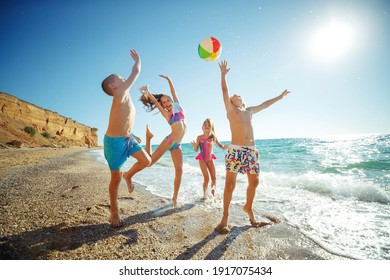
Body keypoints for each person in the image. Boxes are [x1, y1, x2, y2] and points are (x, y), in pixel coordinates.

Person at [215, 60, 290, 234]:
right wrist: (223, 75)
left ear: (242, 100)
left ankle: (248, 207)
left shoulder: (248, 111)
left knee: (254, 182)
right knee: (229, 184)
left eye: (237, 95)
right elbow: (224, 91)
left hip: (251, 152)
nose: (234, 96)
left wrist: (280, 97)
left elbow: (265, 104)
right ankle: (224, 218)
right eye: (232, 97)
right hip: (235, 150)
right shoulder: (231, 111)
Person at [101, 50, 151, 228]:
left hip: (127, 138)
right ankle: (114, 210)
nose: (123, 78)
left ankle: (129, 176)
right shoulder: (120, 92)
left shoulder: (124, 94)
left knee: (146, 160)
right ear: (113, 86)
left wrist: (131, 132)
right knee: (116, 178)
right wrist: (138, 60)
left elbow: (125, 119)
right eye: (119, 78)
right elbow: (136, 72)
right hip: (114, 143)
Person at [139, 75, 186, 208]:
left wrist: (169, 80)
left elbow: (173, 92)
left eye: (168, 101)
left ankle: (174, 199)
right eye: (164, 103)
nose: (166, 103)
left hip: (178, 145)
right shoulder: (167, 115)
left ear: (172, 101)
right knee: (149, 163)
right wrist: (147, 92)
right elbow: (156, 102)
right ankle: (148, 139)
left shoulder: (178, 108)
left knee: (179, 170)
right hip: (169, 140)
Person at [191, 118, 227, 199]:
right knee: (206, 178)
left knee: (214, 178)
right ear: (202, 127)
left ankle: (213, 195)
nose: (207, 127)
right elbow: (196, 150)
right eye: (205, 125)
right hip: (202, 159)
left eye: (209, 125)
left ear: (212, 127)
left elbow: (220, 146)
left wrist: (224, 147)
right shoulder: (199, 137)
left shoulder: (213, 137)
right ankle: (204, 196)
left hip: (210, 159)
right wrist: (195, 146)